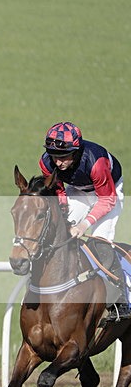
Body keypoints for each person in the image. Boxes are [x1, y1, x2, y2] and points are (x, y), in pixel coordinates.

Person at [38, 121, 128, 319]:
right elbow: (59, 190)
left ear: (76, 151)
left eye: (64, 157)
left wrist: (83, 224)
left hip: (108, 192)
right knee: (59, 232)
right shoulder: (46, 163)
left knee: (99, 242)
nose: (58, 162)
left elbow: (106, 200)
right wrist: (63, 216)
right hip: (78, 190)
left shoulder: (96, 162)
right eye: (54, 156)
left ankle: (120, 301)